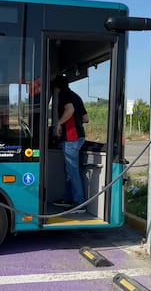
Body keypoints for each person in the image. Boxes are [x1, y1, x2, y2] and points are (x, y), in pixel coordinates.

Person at [52, 75, 89, 210]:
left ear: (56, 87)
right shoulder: (76, 96)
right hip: (79, 137)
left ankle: (79, 202)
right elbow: (86, 118)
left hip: (71, 137)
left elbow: (70, 110)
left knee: (72, 171)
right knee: (69, 170)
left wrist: (59, 124)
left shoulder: (64, 94)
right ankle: (68, 198)